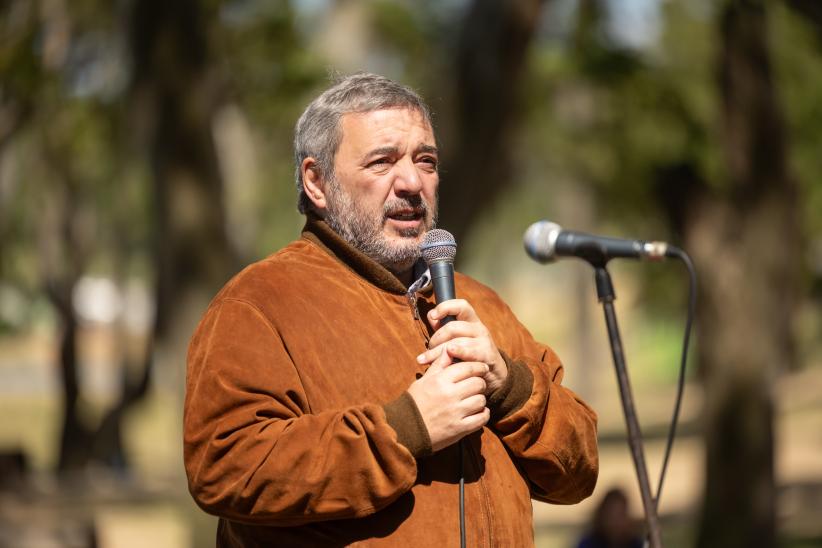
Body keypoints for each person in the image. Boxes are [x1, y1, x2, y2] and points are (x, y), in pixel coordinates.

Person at [183, 73, 598, 547]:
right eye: (382, 162)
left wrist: (508, 385)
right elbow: (225, 468)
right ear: (316, 182)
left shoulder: (482, 305)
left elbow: (580, 469)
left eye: (427, 161)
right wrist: (406, 428)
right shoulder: (258, 303)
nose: (412, 183)